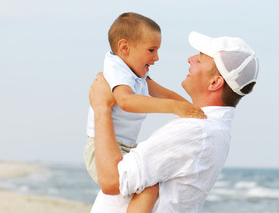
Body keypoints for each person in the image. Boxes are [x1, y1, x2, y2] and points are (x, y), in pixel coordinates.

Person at [89, 31, 259, 212]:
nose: (190, 59)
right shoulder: (209, 128)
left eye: (200, 60)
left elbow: (112, 180)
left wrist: (101, 107)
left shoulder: (197, 130)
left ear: (215, 82)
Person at [84, 13, 206, 212]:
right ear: (124, 48)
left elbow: (162, 92)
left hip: (125, 147)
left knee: (155, 174)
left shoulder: (135, 72)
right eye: (151, 50)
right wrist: (175, 108)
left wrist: (193, 108)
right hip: (101, 152)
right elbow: (126, 101)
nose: (156, 57)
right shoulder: (117, 70)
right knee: (149, 186)